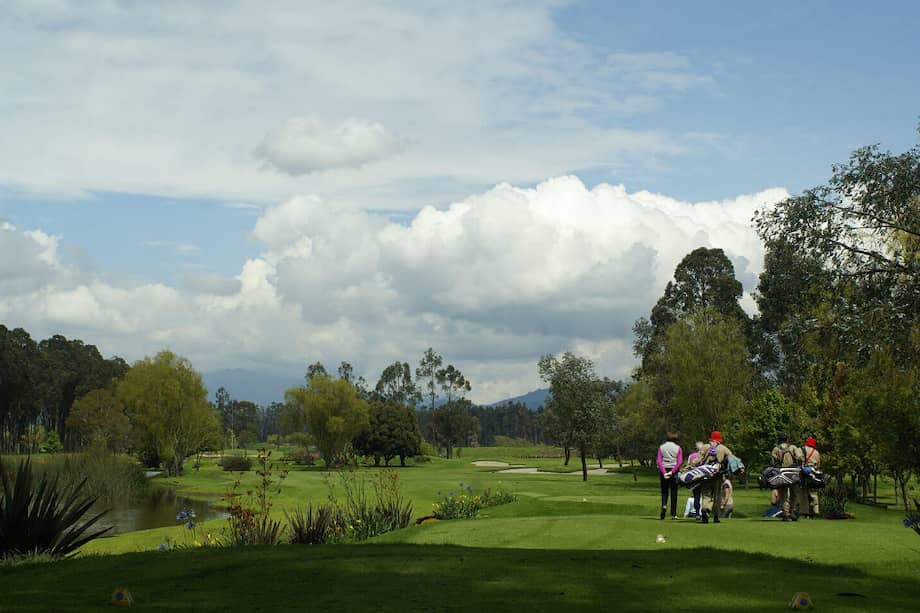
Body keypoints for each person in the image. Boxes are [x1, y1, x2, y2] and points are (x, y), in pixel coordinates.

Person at [689, 431, 734, 524]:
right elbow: (732, 458)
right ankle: (716, 516)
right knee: (717, 495)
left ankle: (706, 509)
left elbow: (698, 459)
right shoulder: (723, 448)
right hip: (718, 475)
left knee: (706, 494)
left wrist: (689, 466)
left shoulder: (705, 447)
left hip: (706, 474)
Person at [771, 432, 804, 521]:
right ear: (787, 439)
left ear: (779, 440)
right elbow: (800, 458)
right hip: (793, 473)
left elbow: (774, 463)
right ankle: (792, 512)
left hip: (782, 474)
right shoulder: (793, 447)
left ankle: (786, 514)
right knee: (794, 494)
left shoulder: (776, 449)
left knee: (783, 495)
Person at [657, 431, 684, 520]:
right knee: (674, 492)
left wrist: (664, 472)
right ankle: (673, 514)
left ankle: (664, 506)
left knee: (664, 491)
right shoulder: (678, 448)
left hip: (664, 469)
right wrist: (672, 472)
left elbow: (659, 461)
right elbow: (679, 462)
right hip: (674, 470)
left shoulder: (662, 447)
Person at [798, 436, 821, 518]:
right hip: (813, 473)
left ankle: (805, 512)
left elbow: (798, 458)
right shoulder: (816, 452)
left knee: (803, 492)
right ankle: (815, 510)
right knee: (813, 493)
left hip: (804, 473)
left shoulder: (802, 449)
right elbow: (818, 464)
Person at [684, 441, 704, 518]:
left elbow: (688, 466)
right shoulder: (704, 455)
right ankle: (703, 512)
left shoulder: (691, 456)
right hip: (703, 477)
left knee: (696, 496)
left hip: (694, 477)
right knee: (704, 496)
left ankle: (697, 514)